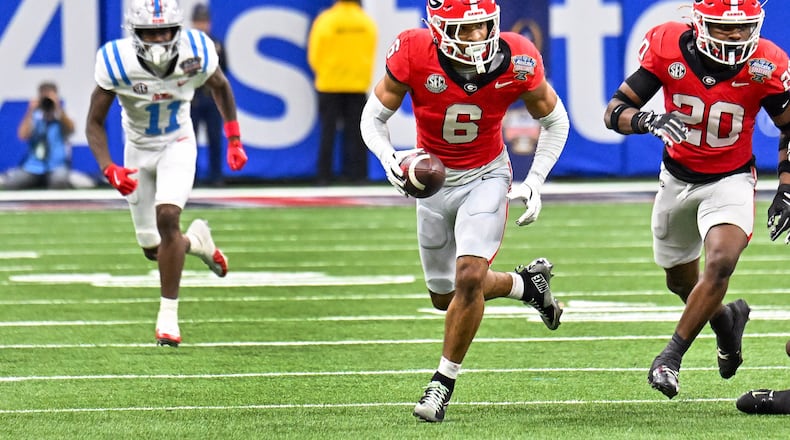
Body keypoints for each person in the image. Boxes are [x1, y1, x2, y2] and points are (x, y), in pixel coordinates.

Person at [360, 0, 569, 422]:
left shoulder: (518, 58)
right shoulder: (413, 51)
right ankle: (526, 286)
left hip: (485, 175)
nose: (476, 38)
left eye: (481, 27)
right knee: (445, 296)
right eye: (464, 29)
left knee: (469, 276)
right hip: (433, 181)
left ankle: (441, 383)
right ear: (436, 29)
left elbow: (555, 121)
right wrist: (390, 160)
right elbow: (373, 117)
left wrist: (536, 180)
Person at [603, 0, 790, 399]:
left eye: (743, 27)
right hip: (676, 179)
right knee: (680, 280)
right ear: (701, 25)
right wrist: (645, 120)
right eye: (725, 28)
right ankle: (725, 319)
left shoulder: (767, 63)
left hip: (732, 178)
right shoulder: (669, 45)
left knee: (720, 263)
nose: (737, 35)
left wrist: (786, 186)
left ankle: (670, 358)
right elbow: (615, 110)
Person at [85, 0, 248, 347]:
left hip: (178, 140)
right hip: (137, 148)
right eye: (150, 32)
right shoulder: (117, 60)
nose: (158, 39)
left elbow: (220, 86)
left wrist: (233, 137)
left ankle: (168, 318)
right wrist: (108, 168)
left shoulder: (198, 50)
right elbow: (94, 123)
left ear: (178, 30)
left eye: (165, 31)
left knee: (168, 217)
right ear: (135, 33)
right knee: (153, 247)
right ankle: (197, 243)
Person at [308, 0, 377, 185]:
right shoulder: (365, 21)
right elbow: (371, 50)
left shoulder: (326, 20)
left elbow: (314, 53)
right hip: (356, 85)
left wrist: (325, 72)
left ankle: (324, 176)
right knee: (357, 132)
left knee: (327, 132)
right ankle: (358, 175)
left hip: (329, 84)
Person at [0, 82, 95, 189]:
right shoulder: (35, 117)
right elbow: (22, 135)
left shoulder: (61, 117)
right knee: (13, 183)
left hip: (56, 166)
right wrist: (30, 111)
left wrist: (58, 107)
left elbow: (71, 129)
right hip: (32, 166)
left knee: (59, 181)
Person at [189, 3, 226, 187]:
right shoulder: (186, 46)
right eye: (198, 22)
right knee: (189, 141)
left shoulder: (216, 44)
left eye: (204, 21)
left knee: (215, 139)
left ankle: (216, 176)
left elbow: (224, 71)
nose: (202, 25)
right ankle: (191, 178)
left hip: (211, 98)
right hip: (192, 99)